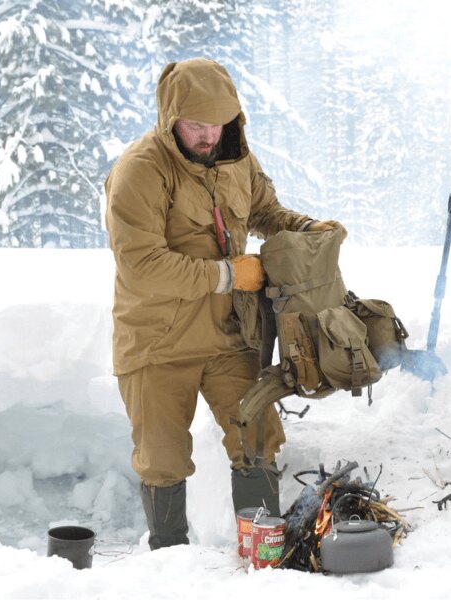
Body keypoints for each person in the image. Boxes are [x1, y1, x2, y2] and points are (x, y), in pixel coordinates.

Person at [104, 57, 342, 550]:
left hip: (228, 336)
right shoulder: (139, 171)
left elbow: (265, 211)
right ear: (171, 118)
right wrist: (230, 273)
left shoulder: (237, 160)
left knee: (256, 435)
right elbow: (142, 265)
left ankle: (262, 554)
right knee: (162, 456)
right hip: (157, 341)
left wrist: (306, 230)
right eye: (196, 125)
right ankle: (170, 561)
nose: (209, 136)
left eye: (218, 123)